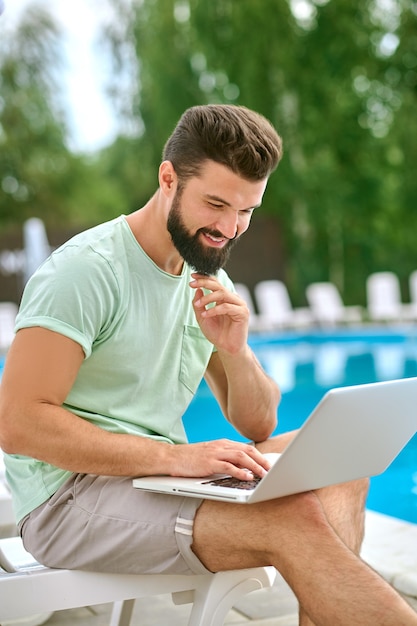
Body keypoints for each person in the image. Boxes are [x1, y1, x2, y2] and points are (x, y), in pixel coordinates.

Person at [0, 104, 415, 626]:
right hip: (68, 500)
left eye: (246, 211)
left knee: (342, 466)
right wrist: (175, 459)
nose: (229, 228)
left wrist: (236, 350)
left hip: (154, 479)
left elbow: (258, 424)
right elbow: (18, 424)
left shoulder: (209, 278)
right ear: (168, 178)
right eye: (216, 204)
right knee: (290, 518)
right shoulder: (86, 273)